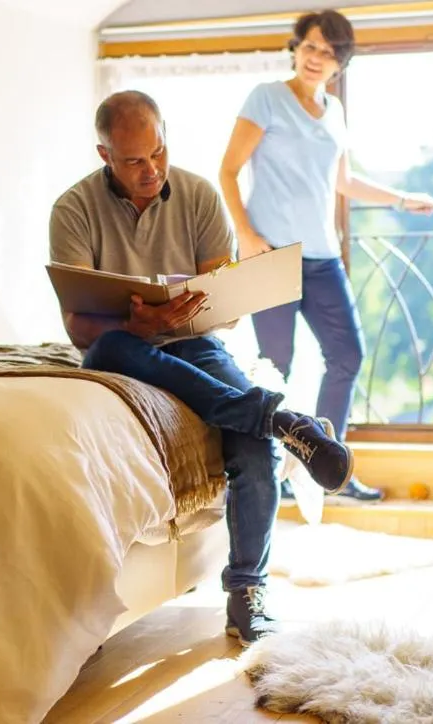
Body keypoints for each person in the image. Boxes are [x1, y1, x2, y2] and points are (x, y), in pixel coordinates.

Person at [49, 90, 354, 647]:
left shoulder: (198, 195)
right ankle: (281, 418)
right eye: (134, 160)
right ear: (105, 156)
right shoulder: (72, 210)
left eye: (158, 152)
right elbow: (77, 328)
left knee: (254, 446)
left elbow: (226, 308)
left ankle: (246, 593)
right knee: (110, 348)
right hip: (123, 352)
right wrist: (139, 325)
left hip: (194, 345)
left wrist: (205, 305)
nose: (152, 169)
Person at [218, 10, 433, 502]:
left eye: (330, 52)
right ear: (295, 48)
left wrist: (402, 199)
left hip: (321, 257)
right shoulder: (267, 99)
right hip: (271, 253)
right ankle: (267, 474)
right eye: (311, 47)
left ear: (342, 62)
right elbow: (229, 171)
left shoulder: (334, 111)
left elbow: (343, 181)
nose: (318, 58)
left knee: (347, 356)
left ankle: (325, 467)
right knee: (276, 366)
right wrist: (247, 237)